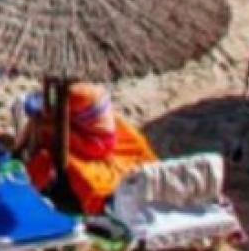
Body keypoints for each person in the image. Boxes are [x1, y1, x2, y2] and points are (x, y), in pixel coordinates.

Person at [15, 83, 157, 214]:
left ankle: (27, 181)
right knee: (44, 125)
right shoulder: (92, 86)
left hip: (94, 143)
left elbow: (52, 112)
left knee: (45, 130)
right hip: (101, 135)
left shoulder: (76, 94)